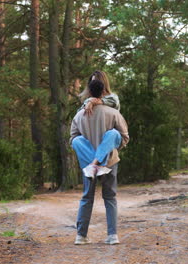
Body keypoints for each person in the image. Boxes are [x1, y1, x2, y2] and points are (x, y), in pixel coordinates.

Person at [70, 79, 129, 246]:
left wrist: (89, 157)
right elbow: (124, 137)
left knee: (86, 198)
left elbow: (73, 139)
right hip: (109, 162)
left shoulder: (78, 115)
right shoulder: (113, 112)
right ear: (104, 92)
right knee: (110, 197)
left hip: (88, 166)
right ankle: (112, 236)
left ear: (88, 92)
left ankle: (81, 237)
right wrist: (110, 149)